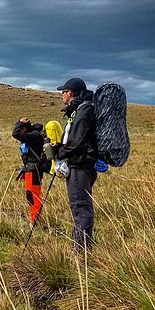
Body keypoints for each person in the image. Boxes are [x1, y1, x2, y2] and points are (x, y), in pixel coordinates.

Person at [54, 77, 98, 251]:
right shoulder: (80, 109)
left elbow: (76, 141)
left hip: (80, 166)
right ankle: (84, 247)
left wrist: (59, 152)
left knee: (80, 207)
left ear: (70, 93)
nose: (62, 95)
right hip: (80, 165)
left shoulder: (83, 110)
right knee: (81, 205)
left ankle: (81, 251)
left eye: (63, 92)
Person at [12, 117, 48, 224]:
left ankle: (35, 220)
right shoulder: (32, 135)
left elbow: (15, 134)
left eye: (21, 128)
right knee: (30, 195)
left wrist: (20, 124)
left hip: (34, 169)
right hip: (31, 169)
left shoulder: (33, 136)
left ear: (24, 128)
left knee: (33, 195)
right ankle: (34, 218)